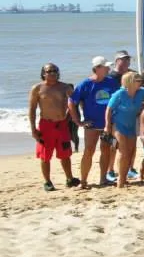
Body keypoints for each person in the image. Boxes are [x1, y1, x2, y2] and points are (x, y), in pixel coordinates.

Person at [68, 56, 120, 188]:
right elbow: (71, 102)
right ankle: (84, 181)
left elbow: (119, 99)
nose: (108, 69)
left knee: (106, 149)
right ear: (97, 69)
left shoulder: (112, 82)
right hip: (91, 125)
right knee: (89, 150)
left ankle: (103, 179)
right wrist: (77, 121)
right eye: (105, 67)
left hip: (108, 124)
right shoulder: (85, 84)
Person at [30, 63, 79, 191]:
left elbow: (74, 103)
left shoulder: (65, 87)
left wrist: (70, 118)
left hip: (62, 125)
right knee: (45, 155)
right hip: (46, 126)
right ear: (43, 73)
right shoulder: (37, 88)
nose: (52, 73)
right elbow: (32, 109)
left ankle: (70, 179)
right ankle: (47, 182)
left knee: (65, 154)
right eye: (49, 71)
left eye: (55, 71)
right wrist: (33, 129)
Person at [104, 71, 144, 188]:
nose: (140, 82)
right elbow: (108, 109)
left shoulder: (141, 92)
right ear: (130, 82)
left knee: (131, 152)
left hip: (131, 126)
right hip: (118, 126)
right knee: (123, 152)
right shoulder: (119, 94)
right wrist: (107, 125)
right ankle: (120, 181)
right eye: (138, 81)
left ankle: (123, 176)